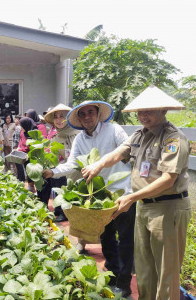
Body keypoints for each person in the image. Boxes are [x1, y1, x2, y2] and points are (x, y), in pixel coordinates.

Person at [81, 85, 191, 300]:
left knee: (166, 269)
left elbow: (169, 179)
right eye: (140, 112)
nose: (143, 116)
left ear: (163, 111)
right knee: (144, 266)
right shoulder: (140, 135)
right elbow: (118, 153)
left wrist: (131, 197)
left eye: (149, 111)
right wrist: (98, 165)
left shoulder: (172, 139)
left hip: (167, 208)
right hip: (143, 206)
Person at [43, 100, 134, 297]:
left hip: (123, 193)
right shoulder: (80, 140)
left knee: (126, 239)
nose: (87, 117)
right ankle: (112, 274)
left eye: (90, 112)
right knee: (107, 236)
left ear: (98, 113)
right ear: (79, 119)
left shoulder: (114, 130)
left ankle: (125, 283)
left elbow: (128, 150)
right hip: (100, 196)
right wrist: (52, 172)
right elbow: (71, 164)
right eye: (82, 114)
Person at [38, 104, 80, 216]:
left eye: (62, 116)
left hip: (81, 173)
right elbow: (54, 159)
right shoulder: (55, 138)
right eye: (56, 117)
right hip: (65, 172)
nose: (58, 120)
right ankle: (60, 211)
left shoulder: (80, 134)